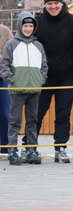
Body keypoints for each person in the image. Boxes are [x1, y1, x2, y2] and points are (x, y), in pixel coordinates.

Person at [33, 0, 73, 163]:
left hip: (66, 77)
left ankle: (61, 148)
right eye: (49, 3)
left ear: (62, 3)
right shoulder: (37, 22)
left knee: (63, 114)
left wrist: (70, 63)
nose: (53, 6)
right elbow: (28, 44)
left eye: (56, 3)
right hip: (43, 77)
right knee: (36, 114)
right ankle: (30, 147)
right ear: (45, 5)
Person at [0, 12, 47, 165]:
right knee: (14, 121)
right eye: (25, 26)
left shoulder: (38, 46)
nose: (28, 29)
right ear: (20, 26)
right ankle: (13, 151)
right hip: (17, 91)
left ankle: (32, 150)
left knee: (33, 121)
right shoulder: (12, 44)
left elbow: (44, 66)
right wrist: (12, 79)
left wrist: (40, 80)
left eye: (31, 26)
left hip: (34, 91)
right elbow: (4, 64)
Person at [0, 24, 13, 154]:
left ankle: (6, 148)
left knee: (5, 113)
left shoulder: (5, 31)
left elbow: (13, 52)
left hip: (2, 78)